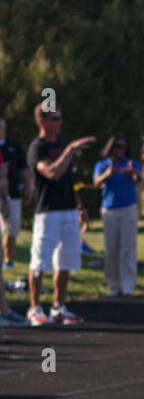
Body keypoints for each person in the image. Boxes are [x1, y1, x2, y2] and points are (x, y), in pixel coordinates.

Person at [27, 105, 94, 326]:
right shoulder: (37, 147)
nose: (59, 123)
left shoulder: (63, 145)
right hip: (47, 212)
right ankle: (34, 308)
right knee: (39, 262)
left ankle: (59, 307)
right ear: (42, 121)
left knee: (65, 261)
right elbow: (52, 173)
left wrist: (80, 206)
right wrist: (69, 151)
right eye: (54, 118)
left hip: (67, 210)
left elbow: (66, 181)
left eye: (60, 118)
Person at [91, 136, 141, 296]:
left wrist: (134, 173)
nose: (120, 150)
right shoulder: (102, 164)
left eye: (123, 147)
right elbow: (96, 182)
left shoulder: (130, 163)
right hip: (110, 209)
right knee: (111, 248)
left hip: (128, 208)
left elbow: (140, 179)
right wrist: (107, 174)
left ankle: (128, 286)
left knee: (128, 248)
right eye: (117, 147)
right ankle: (113, 285)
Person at [0, 116, 32, 271]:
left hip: (11, 194)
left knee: (11, 229)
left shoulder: (14, 145)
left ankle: (8, 260)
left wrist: (29, 185)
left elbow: (23, 168)